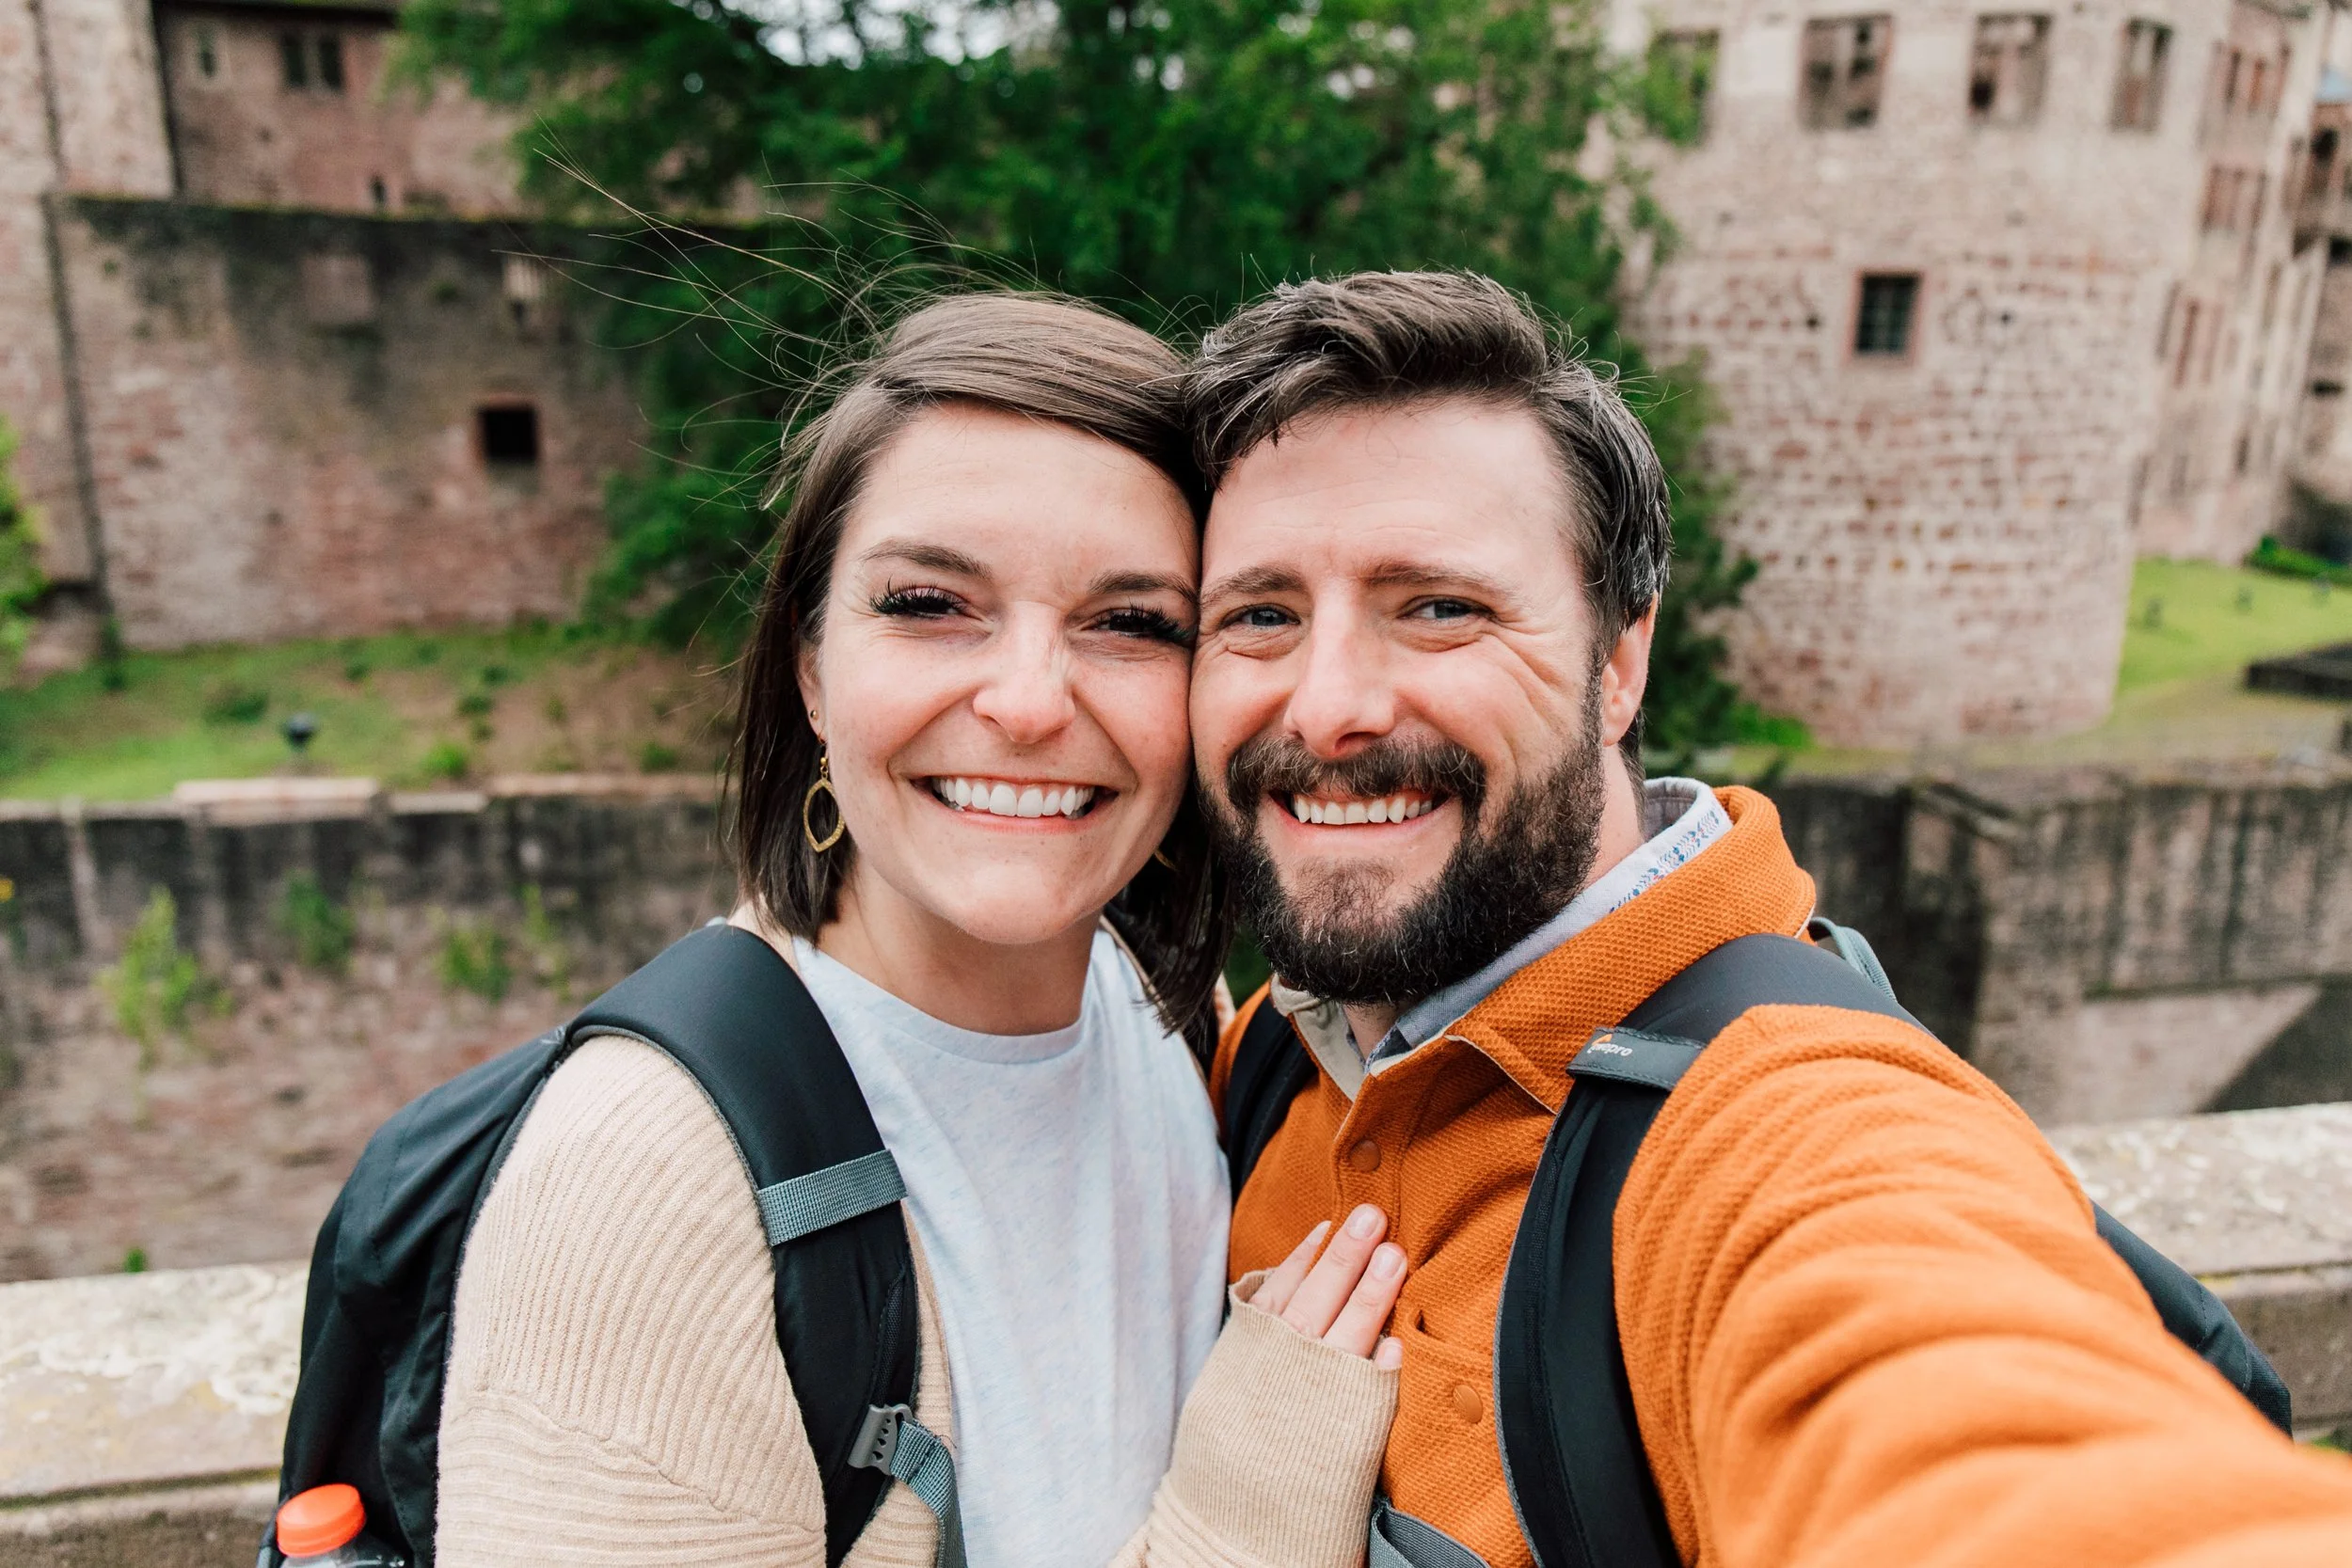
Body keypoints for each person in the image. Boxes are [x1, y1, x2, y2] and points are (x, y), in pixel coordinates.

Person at [1186, 270, 2352, 1567]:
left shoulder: (1779, 1125)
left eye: (1441, 609)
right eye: (1260, 616)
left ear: (1618, 664)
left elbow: (1981, 1423)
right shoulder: (1275, 1051)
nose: (1327, 705)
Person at [435, 293, 1407, 1568]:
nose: (1027, 703)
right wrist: (1244, 1519)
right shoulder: (641, 1180)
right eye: (930, 602)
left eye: (1130, 622)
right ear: (811, 666)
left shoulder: (1165, 1012)